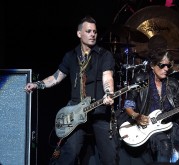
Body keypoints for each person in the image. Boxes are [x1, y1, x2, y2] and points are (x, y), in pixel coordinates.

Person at [25, 16, 118, 165]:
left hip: (98, 110)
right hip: (75, 112)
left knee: (109, 157)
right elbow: (56, 77)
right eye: (88, 31)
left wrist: (109, 93)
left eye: (94, 31)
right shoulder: (71, 56)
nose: (93, 34)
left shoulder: (104, 55)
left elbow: (107, 77)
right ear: (79, 34)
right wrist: (37, 84)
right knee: (70, 153)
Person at [122, 48, 179, 163]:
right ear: (153, 65)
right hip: (148, 126)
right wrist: (136, 116)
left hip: (170, 123)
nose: (166, 69)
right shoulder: (140, 79)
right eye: (162, 65)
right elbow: (128, 104)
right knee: (164, 145)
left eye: (168, 66)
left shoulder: (173, 84)